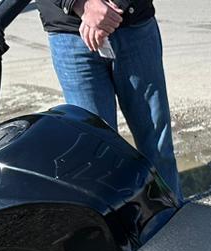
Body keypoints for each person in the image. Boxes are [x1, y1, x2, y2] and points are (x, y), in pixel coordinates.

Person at [37, 0, 181, 196]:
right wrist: (81, 4)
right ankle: (118, 215)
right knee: (97, 157)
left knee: (158, 148)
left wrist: (116, 5)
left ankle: (170, 212)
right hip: (70, 32)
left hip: (134, 23)